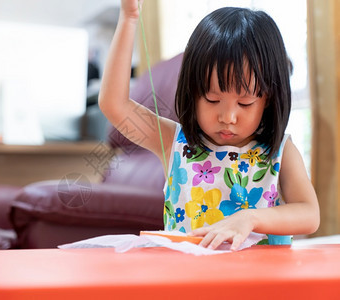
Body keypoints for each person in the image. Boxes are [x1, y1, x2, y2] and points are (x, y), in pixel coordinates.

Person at [98, 0, 319, 251]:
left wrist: (250, 218)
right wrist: (128, 19)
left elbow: (309, 215)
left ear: (268, 99)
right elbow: (113, 104)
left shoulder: (280, 151)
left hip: (261, 284)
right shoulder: (174, 142)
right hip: (192, 282)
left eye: (245, 103)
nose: (227, 117)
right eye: (212, 99)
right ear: (192, 93)